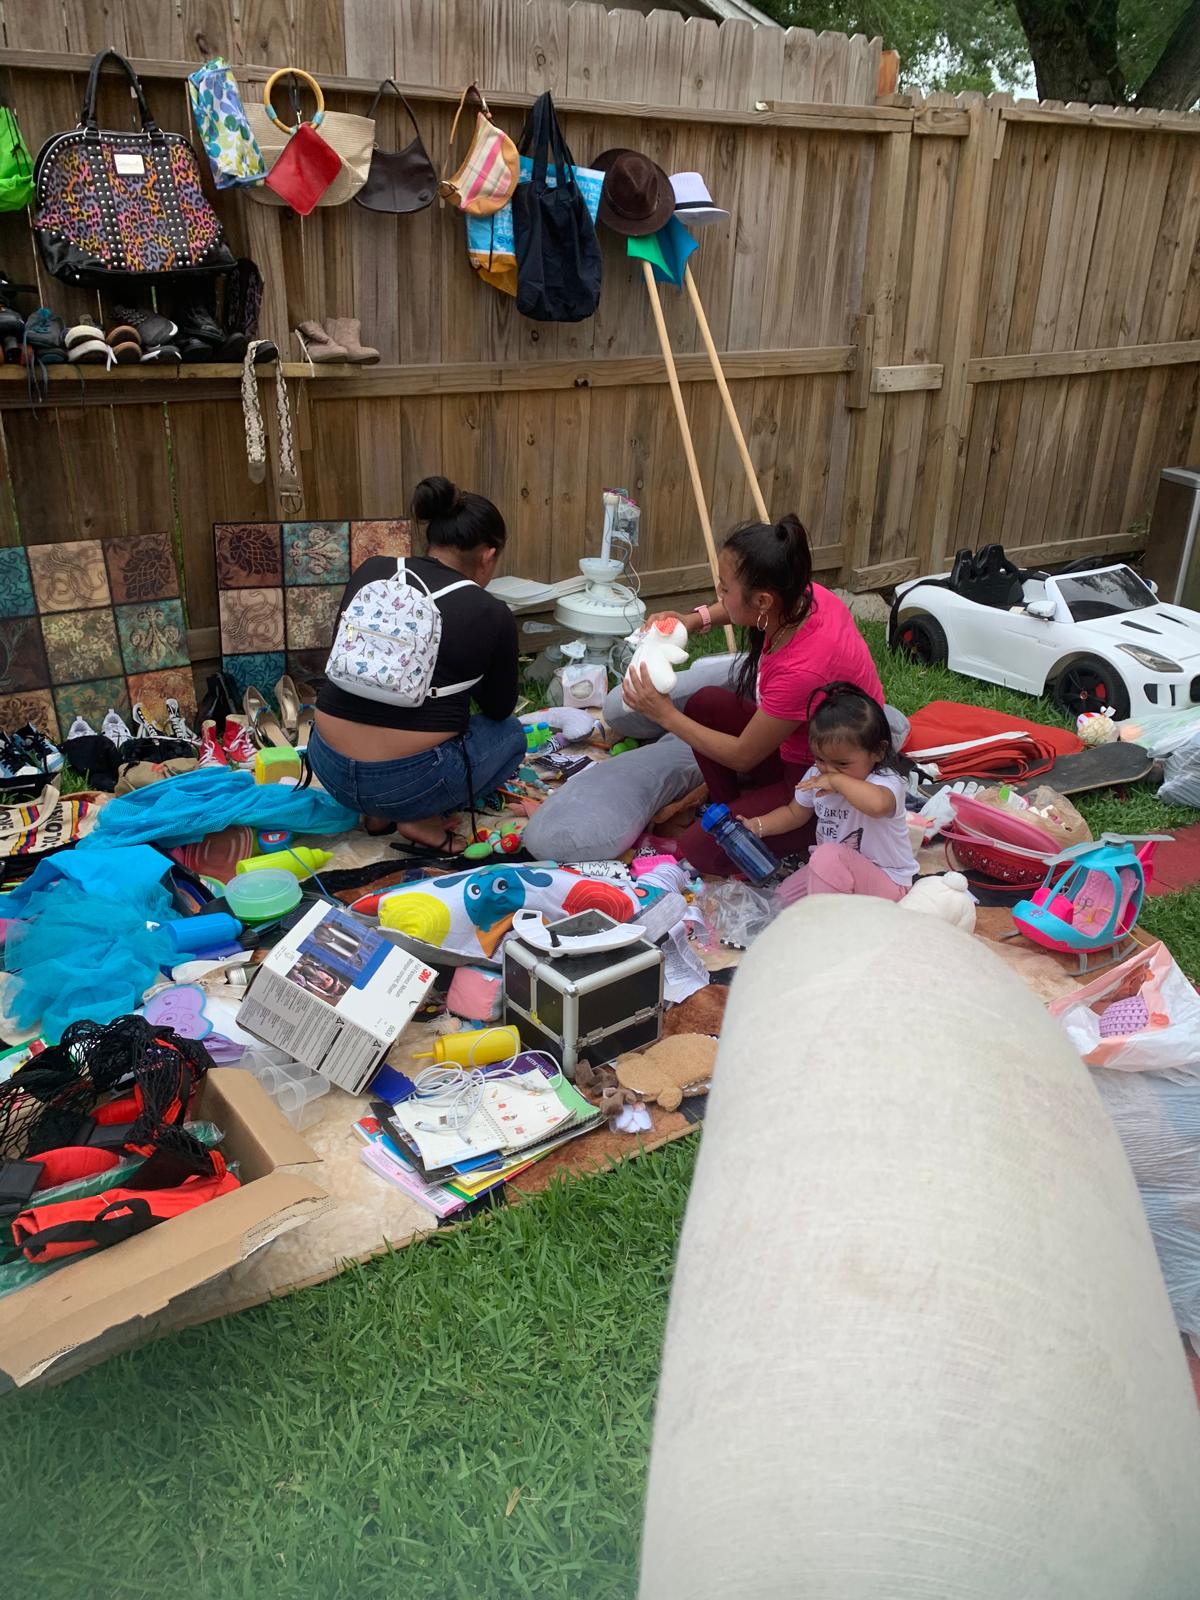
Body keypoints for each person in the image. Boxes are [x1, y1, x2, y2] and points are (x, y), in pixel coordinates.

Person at [620, 513, 885, 875]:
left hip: (825, 780)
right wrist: (692, 620)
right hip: (805, 747)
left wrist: (664, 715)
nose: (720, 594)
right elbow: (736, 608)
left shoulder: (803, 668)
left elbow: (743, 756)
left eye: (725, 589)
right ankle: (733, 808)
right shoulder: (801, 596)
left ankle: (790, 828)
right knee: (705, 704)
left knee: (698, 849)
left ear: (762, 601)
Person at [308, 476, 525, 852]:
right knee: (511, 736)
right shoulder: (489, 611)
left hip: (328, 765)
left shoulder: (371, 571)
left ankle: (375, 815)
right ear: (488, 556)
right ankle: (419, 817)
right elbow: (498, 709)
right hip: (410, 783)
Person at [751, 682, 918, 904]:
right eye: (820, 759)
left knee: (826, 858)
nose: (828, 769)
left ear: (878, 752)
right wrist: (758, 826)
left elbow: (878, 805)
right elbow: (794, 813)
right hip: (835, 871)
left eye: (842, 763)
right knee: (781, 901)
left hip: (888, 883)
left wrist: (836, 781)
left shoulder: (886, 781)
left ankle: (829, 922)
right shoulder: (816, 775)